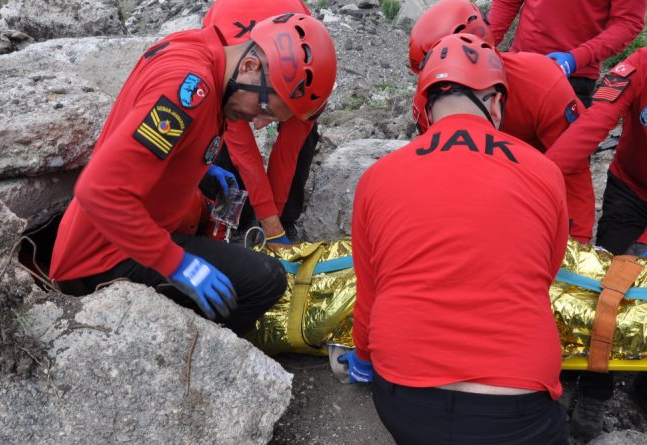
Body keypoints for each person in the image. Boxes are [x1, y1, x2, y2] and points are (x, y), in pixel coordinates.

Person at [340, 33, 570, 444]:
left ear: (425, 107)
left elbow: (370, 292)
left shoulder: (378, 177)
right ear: (497, 103)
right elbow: (546, 272)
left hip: (405, 399)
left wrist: (362, 356)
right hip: (516, 405)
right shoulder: (543, 170)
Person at [49, 13, 337, 336]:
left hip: (121, 236)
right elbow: (97, 190)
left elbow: (157, 145)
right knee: (266, 281)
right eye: (265, 108)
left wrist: (201, 169)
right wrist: (178, 264)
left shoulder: (204, 55)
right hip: (104, 257)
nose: (258, 123)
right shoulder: (186, 92)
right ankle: (202, 355)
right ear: (250, 66)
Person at [544, 5, 647, 442]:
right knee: (608, 285)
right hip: (630, 190)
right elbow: (590, 129)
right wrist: (535, 184)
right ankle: (596, 384)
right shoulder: (639, 69)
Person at [408, 0, 595, 242]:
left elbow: (573, 173)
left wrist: (577, 242)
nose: (449, 96)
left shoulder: (542, 84)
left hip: (539, 178)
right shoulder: (428, 101)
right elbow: (442, 172)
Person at [202, 0, 324, 243]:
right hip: (230, 37)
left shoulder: (313, 81)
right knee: (220, 137)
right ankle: (236, 222)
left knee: (303, 140)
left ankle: (287, 218)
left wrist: (276, 220)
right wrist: (267, 221)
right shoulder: (232, 69)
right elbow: (245, 154)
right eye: (265, 110)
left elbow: (289, 149)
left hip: (284, 63)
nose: (259, 125)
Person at [488, 0, 647, 107]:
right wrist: (486, 42)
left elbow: (628, 23)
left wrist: (576, 58)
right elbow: (507, 2)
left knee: (559, 154)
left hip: (573, 78)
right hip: (519, 66)